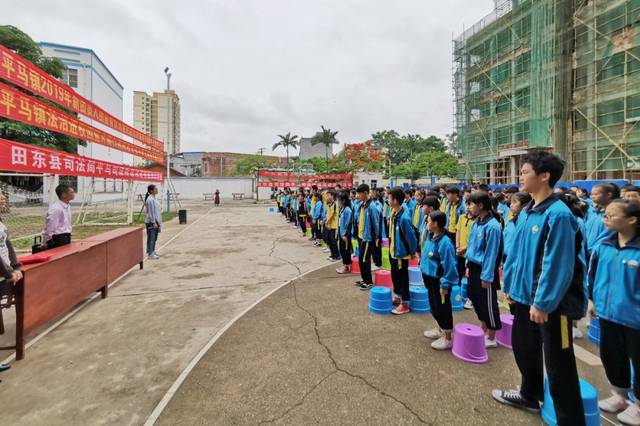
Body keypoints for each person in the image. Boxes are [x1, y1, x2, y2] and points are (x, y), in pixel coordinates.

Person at [492, 151, 586, 426]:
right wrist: (510, 286)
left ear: (544, 176)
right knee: (524, 349)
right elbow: (516, 256)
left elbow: (558, 265)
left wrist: (543, 302)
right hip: (522, 298)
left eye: (525, 172)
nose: (519, 176)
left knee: (560, 369)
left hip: (551, 306)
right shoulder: (527, 212)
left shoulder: (558, 216)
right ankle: (529, 395)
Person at [588, 199, 640, 426]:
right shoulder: (604, 245)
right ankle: (619, 395)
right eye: (605, 214)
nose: (605, 217)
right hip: (607, 313)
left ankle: (638, 405)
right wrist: (591, 299)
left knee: (638, 360)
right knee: (611, 355)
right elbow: (593, 274)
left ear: (632, 219)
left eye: (611, 214)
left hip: (634, 318)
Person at [465, 191, 503, 347]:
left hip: (485, 269)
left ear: (480, 205)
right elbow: (473, 245)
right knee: (475, 297)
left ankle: (492, 336)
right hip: (474, 266)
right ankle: (483, 327)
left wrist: (487, 277)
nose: (469, 207)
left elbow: (491, 254)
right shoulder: (477, 222)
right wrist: (467, 263)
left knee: (488, 302)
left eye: (471, 204)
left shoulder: (493, 226)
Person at [421, 210, 458, 350]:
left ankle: (448, 338)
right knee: (434, 306)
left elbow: (449, 266)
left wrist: (445, 283)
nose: (427, 223)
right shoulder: (431, 237)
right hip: (429, 279)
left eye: (429, 221)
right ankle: (440, 329)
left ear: (436, 224)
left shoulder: (445, 243)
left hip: (439, 281)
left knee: (442, 308)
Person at [0, 192, 22, 377]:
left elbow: (7, 244)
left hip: (5, 274)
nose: (3, 198)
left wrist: (15, 266)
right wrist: (8, 273)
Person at [387, 187, 417, 314]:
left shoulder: (404, 217)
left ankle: (405, 303)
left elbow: (411, 237)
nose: (387, 199)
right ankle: (398, 296)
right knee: (395, 275)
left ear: (395, 200)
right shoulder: (394, 212)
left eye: (389, 197)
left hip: (401, 253)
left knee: (402, 277)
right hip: (394, 250)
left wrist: (412, 252)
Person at [354, 184, 381, 291]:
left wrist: (375, 239)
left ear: (365, 193)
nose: (358, 196)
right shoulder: (363, 204)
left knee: (364, 260)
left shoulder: (372, 206)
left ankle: (369, 282)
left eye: (359, 194)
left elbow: (376, 223)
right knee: (362, 260)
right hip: (361, 236)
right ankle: (364, 279)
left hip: (368, 238)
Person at [586, 183, 619, 256]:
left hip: (598, 254)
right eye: (591, 194)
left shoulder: (614, 215)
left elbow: (607, 237)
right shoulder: (594, 213)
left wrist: (593, 251)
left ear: (608, 195)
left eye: (596, 194)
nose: (592, 197)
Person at [456, 199, 475, 310]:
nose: (468, 207)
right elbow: (458, 231)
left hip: (469, 252)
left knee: (469, 276)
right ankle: (457, 295)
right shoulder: (462, 217)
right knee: (458, 273)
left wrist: (464, 249)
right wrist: (457, 246)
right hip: (460, 251)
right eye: (467, 204)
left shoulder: (477, 221)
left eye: (471, 204)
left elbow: (474, 240)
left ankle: (470, 298)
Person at [44, 184, 75, 249]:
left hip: (66, 236)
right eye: (71, 192)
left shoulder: (67, 206)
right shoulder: (56, 209)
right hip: (58, 238)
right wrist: (48, 240)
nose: (74, 194)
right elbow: (50, 226)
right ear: (64, 195)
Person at [336, 191, 353, 274]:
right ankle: (345, 265)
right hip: (341, 231)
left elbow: (349, 224)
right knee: (342, 250)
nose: (338, 202)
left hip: (345, 234)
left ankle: (346, 266)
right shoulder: (342, 209)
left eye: (339, 200)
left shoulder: (348, 210)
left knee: (345, 251)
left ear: (343, 201)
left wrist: (346, 235)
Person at [145, 184, 162, 260]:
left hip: (156, 220)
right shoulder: (150, 200)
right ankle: (150, 254)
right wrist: (153, 222)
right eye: (155, 189)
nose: (157, 190)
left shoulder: (153, 198)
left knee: (154, 238)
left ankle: (152, 251)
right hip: (152, 222)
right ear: (151, 190)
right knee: (152, 238)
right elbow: (151, 212)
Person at [324, 190, 340, 261]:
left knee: (333, 242)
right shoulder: (328, 204)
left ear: (332, 196)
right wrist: (326, 221)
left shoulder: (335, 204)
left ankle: (336, 256)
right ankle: (332, 254)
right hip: (329, 226)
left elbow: (332, 215)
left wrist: (327, 222)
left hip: (333, 226)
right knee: (329, 241)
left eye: (328, 195)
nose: (327, 197)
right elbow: (327, 214)